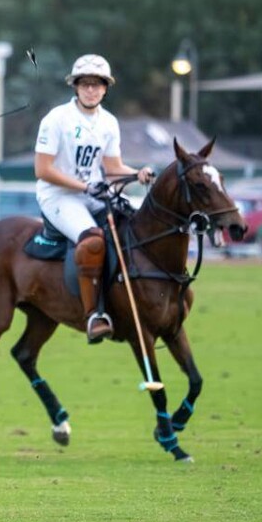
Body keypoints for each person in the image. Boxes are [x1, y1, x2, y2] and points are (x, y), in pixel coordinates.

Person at [33, 54, 154, 343]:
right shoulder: (57, 119)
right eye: (85, 84)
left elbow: (113, 168)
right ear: (75, 87)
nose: (91, 89)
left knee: (136, 226)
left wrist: (138, 174)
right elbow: (43, 169)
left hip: (93, 193)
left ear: (106, 88)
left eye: (97, 84)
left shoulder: (109, 122)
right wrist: (85, 187)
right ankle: (94, 314)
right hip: (58, 196)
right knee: (93, 240)